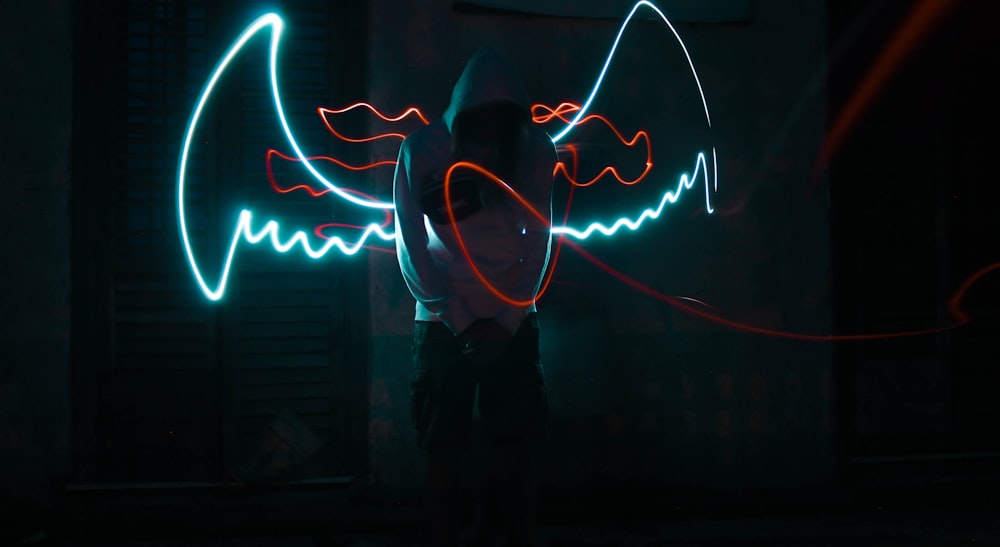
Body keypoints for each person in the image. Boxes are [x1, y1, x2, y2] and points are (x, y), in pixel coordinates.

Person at [393, 46, 557, 547]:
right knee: (443, 447)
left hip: (506, 320)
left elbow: (540, 241)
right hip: (444, 324)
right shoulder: (422, 150)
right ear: (462, 120)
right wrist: (464, 321)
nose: (489, 144)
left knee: (517, 449)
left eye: (499, 130)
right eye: (479, 129)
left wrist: (505, 321)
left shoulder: (534, 150)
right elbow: (410, 247)